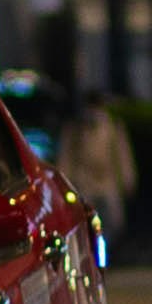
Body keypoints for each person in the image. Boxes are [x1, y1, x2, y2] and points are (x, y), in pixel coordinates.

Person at [56, 84, 135, 255]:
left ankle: (106, 254)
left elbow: (122, 156)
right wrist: (65, 184)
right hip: (84, 184)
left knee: (114, 222)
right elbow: (66, 158)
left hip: (108, 183)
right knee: (85, 224)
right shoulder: (75, 129)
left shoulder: (113, 128)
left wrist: (128, 180)